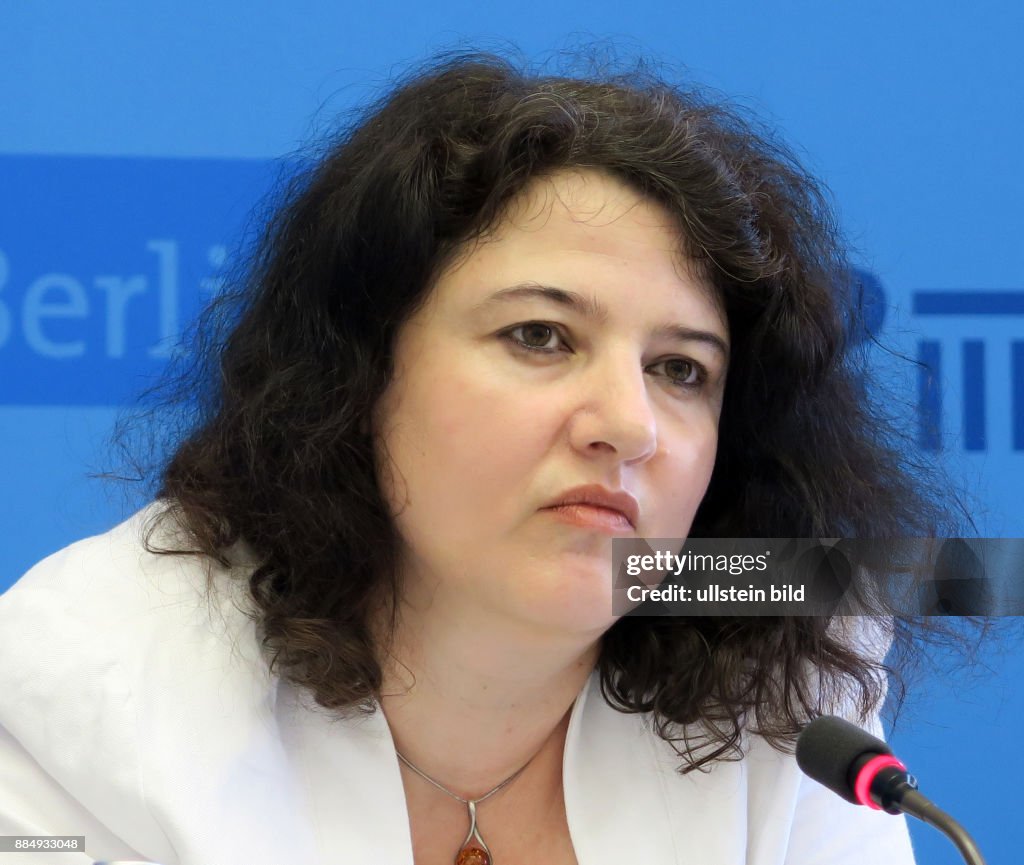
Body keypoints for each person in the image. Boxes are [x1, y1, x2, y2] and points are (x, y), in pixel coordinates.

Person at [0, 48, 951, 865]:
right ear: (363, 373)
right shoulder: (87, 686)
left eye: (680, 369)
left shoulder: (783, 668)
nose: (629, 422)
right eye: (540, 336)